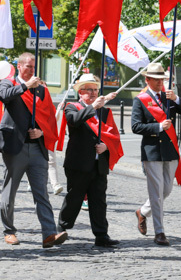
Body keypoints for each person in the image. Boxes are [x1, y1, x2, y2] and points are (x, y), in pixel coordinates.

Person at [0, 52, 67, 248]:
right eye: (28, 67)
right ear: (19, 67)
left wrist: (42, 132)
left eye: (34, 67)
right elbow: (3, 96)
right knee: (10, 191)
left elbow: (49, 117)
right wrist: (26, 86)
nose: (32, 70)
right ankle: (9, 231)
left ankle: (49, 233)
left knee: (41, 192)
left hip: (37, 148)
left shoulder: (42, 90)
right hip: (15, 147)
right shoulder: (8, 83)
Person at [131, 63, 181, 246]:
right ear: (147, 80)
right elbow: (136, 126)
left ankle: (142, 211)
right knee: (157, 193)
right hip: (152, 151)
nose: (160, 83)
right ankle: (159, 232)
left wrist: (176, 99)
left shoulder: (169, 98)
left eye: (162, 79)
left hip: (170, 150)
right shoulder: (140, 100)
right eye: (156, 79)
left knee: (167, 189)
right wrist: (158, 127)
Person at [56, 74, 123, 247]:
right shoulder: (72, 107)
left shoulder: (105, 111)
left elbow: (113, 135)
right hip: (78, 163)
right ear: (80, 92)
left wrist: (106, 146)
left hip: (98, 164)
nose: (93, 93)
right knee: (74, 198)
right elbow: (74, 121)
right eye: (89, 90)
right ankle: (61, 229)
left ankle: (101, 235)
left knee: (99, 201)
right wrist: (93, 107)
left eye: (95, 90)